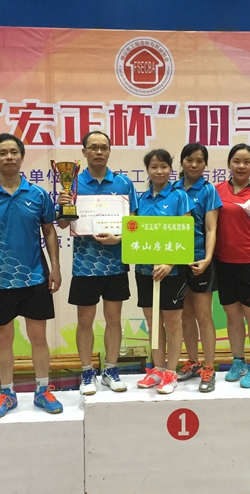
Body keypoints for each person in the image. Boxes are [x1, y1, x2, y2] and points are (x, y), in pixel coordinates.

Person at [0, 133, 63, 418]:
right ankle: (7, 393)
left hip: (35, 277)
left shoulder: (37, 194)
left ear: (22, 157)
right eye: (3, 152)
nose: (9, 157)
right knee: (3, 340)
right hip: (0, 281)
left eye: (14, 152)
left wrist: (56, 266)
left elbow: (49, 231)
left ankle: (42, 391)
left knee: (39, 338)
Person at [57, 131, 138, 395]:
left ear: (110, 151)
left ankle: (111, 370)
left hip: (115, 264)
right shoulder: (73, 185)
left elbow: (135, 223)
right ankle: (86, 372)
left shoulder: (124, 183)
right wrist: (63, 206)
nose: (99, 152)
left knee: (114, 319)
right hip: (85, 265)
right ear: (84, 152)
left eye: (103, 147)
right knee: (85, 320)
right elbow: (62, 224)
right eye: (93, 147)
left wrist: (120, 238)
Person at [214, 144, 250, 388]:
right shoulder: (217, 190)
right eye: (236, 161)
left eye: (246, 162)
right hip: (223, 263)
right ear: (229, 164)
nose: (241, 166)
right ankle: (238, 361)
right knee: (232, 314)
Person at [134, 149, 193, 394]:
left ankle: (171, 372)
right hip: (144, 271)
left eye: (164, 166)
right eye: (154, 167)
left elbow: (186, 234)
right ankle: (157, 370)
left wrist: (170, 264)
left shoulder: (180, 197)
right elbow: (133, 232)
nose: (159, 171)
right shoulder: (140, 199)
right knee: (152, 322)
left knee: (172, 322)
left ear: (171, 169)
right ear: (147, 170)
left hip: (173, 272)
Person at [173, 143, 222, 392]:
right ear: (181, 162)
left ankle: (209, 368)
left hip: (200, 260)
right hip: (175, 262)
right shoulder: (171, 189)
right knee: (185, 316)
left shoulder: (208, 190)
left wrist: (207, 259)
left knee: (203, 316)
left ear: (205, 164)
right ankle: (192, 362)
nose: (194, 165)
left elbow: (212, 228)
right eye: (189, 160)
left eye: (200, 161)